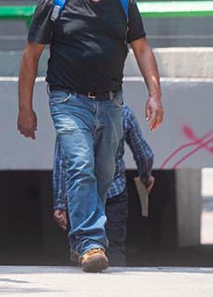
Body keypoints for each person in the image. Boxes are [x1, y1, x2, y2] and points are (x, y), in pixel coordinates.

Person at [17, 0, 164, 273]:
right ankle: (90, 243)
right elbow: (30, 57)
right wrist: (25, 108)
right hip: (68, 101)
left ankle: (81, 242)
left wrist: (154, 94)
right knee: (80, 165)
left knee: (102, 172)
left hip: (111, 101)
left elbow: (141, 49)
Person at [53, 104, 155, 266]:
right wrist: (145, 176)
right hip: (114, 192)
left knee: (81, 246)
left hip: (81, 197)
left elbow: (62, 161)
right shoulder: (124, 113)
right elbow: (144, 154)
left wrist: (60, 201)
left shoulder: (71, 116)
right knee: (114, 248)